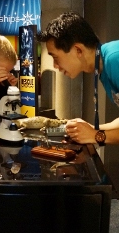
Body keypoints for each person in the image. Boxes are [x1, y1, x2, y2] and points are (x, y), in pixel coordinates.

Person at [37, 11, 119, 145]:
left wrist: (96, 135)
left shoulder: (114, 58)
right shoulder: (103, 64)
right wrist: (92, 129)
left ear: (78, 50)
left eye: (55, 57)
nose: (55, 65)